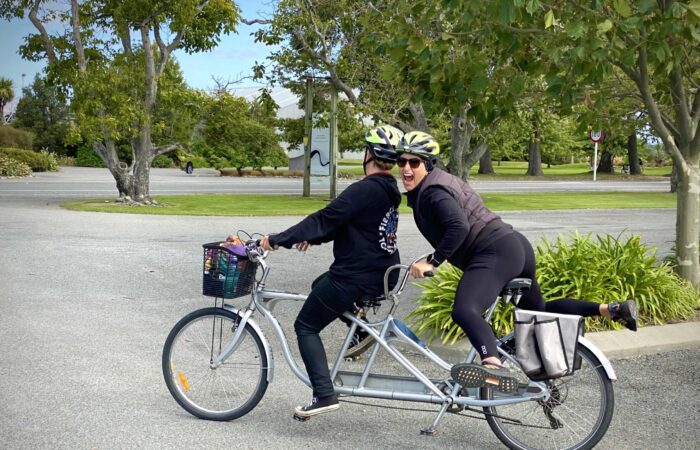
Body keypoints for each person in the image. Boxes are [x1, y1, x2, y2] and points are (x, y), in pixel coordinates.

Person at [394, 131, 638, 393]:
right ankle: (610, 309)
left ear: (428, 164)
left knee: (465, 310)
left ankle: (494, 367)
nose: (406, 168)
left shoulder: (433, 193)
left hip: (492, 250)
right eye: (402, 162)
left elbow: (458, 226)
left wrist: (433, 261)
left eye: (414, 162)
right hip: (514, 245)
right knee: (538, 312)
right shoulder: (440, 183)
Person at [260, 125, 403, 417]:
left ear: (368, 154)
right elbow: (346, 224)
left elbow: (326, 217)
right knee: (319, 284)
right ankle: (360, 331)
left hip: (357, 275)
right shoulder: (388, 188)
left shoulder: (364, 189)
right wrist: (311, 237)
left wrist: (275, 240)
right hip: (382, 270)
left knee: (305, 326)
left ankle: (324, 394)